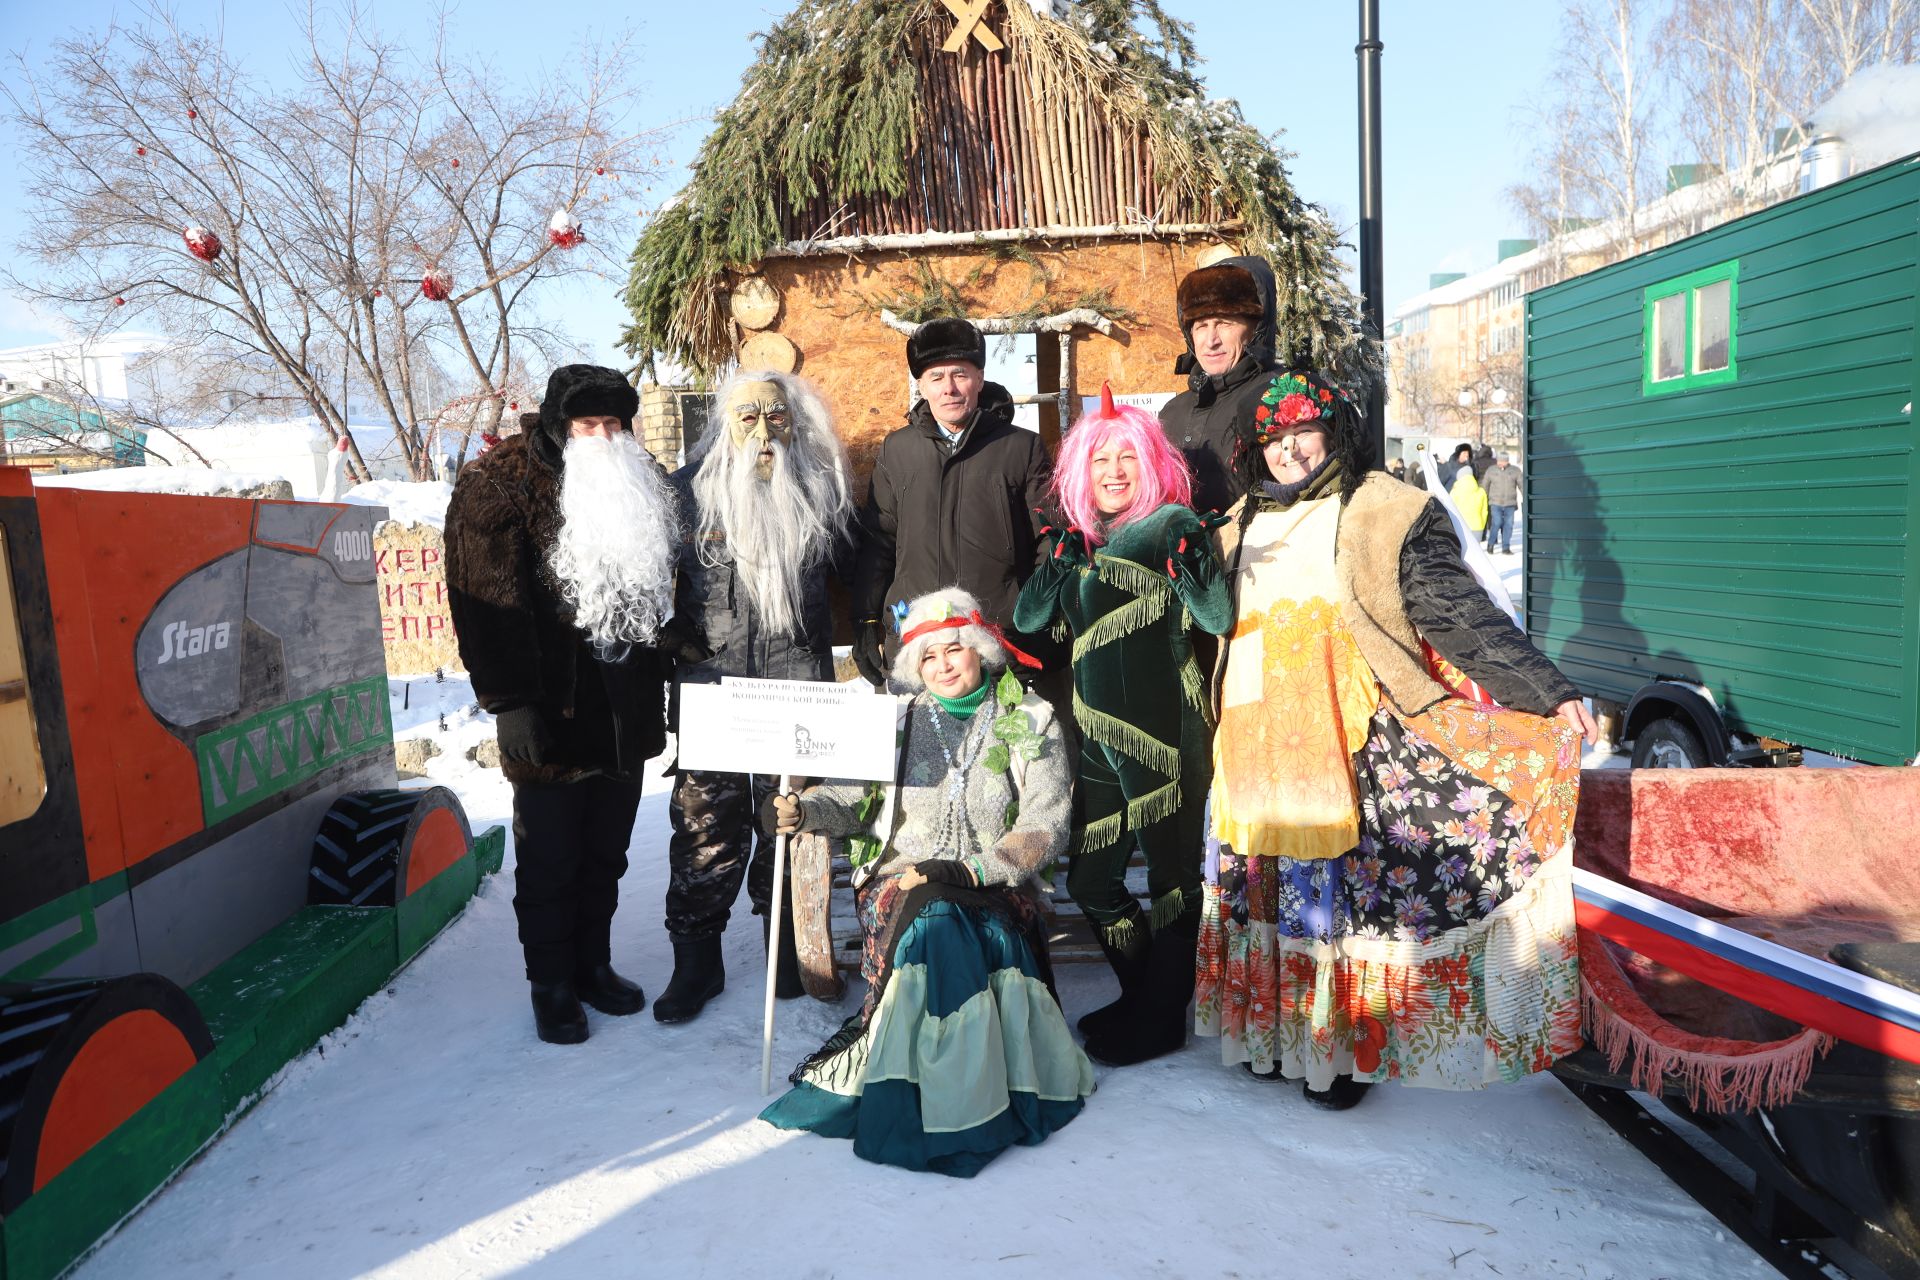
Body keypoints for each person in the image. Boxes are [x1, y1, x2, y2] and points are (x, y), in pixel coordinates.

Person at [1197, 368, 1597, 1109]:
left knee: (1335, 909)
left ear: (1334, 432)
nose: (1288, 450)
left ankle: (1335, 1053)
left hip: (1343, 745)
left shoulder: (1381, 510)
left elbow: (1459, 614)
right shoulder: (1234, 526)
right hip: (1250, 757)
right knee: (1263, 899)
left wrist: (1547, 691)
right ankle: (1268, 1038)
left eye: (1303, 432)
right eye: (1273, 437)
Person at [760, 587, 1094, 1176]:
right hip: (902, 882)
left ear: (981, 651)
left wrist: (971, 869)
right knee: (936, 920)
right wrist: (802, 812)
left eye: (954, 650)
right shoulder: (892, 724)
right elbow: (847, 799)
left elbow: (1045, 826)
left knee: (953, 918)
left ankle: (946, 1099)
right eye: (929, 656)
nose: (942, 665)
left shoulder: (1029, 719)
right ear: (914, 666)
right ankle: (959, 1100)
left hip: (994, 885)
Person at [445, 364, 676, 1044]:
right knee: (550, 857)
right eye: (587, 424)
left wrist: (675, 644)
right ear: (556, 422)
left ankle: (593, 964)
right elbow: (483, 605)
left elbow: (655, 586)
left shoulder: (639, 479)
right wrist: (512, 704)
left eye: (613, 424)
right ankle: (550, 984)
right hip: (549, 707)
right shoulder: (499, 485)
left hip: (622, 705)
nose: (602, 437)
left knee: (607, 850)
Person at [1013, 387, 1231, 1066]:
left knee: (1171, 880)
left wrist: (1194, 563)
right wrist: (1055, 564)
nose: (1113, 471)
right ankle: (1147, 996)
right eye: (1101, 459)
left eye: (1127, 458)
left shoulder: (1171, 525)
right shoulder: (1077, 539)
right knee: (1091, 882)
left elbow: (1218, 617)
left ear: (1151, 463)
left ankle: (1162, 1019)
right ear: (1082, 469)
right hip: (1099, 734)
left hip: (1166, 728)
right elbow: (1026, 625)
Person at [654, 371, 859, 1024]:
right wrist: (667, 630)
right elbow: (648, 577)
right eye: (748, 418)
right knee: (703, 827)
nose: (764, 432)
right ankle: (697, 960)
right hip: (713, 689)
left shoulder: (824, 490)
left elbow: (862, 570)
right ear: (725, 424)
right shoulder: (686, 496)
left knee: (787, 820)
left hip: (794, 684)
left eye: (777, 417)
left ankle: (785, 945)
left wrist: (876, 627)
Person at [849, 318, 1052, 688]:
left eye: (960, 374)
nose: (949, 388)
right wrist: (866, 618)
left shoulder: (1021, 448)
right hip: (919, 645)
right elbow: (878, 543)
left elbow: (1048, 541)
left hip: (999, 640)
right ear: (922, 385)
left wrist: (1035, 612)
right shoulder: (897, 450)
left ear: (979, 377)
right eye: (936, 378)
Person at [1156, 256, 1280, 515]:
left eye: (1224, 323)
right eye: (1201, 326)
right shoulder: (1172, 413)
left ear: (1256, 327)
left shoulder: (1281, 395)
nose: (1210, 340)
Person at [1484, 453, 1521, 554]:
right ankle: (1491, 544)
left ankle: (1506, 547)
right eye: (1499, 461)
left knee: (1508, 525)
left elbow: (1522, 485)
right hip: (1495, 502)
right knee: (1496, 523)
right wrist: (1484, 499)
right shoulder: (1491, 470)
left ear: (1507, 461)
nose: (1500, 463)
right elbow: (1485, 485)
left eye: (1502, 461)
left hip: (1510, 503)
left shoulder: (1515, 471)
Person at [1450, 462, 1490, 538]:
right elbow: (1484, 511)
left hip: (1460, 527)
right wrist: (1481, 524)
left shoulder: (1453, 493)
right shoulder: (1481, 492)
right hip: (1477, 527)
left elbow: (1451, 512)